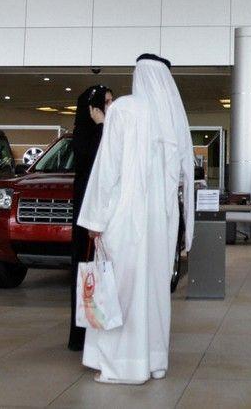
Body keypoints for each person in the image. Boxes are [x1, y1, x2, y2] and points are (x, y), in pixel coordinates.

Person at [77, 54, 194, 384]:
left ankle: (123, 366)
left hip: (126, 221)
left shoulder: (124, 110)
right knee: (154, 294)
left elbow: (107, 170)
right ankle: (154, 361)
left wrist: (95, 221)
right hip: (160, 225)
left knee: (122, 292)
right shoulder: (170, 119)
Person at [68, 84, 113, 352]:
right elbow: (94, 160)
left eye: (111, 101)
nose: (110, 107)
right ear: (92, 108)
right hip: (87, 219)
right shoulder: (86, 135)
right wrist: (100, 126)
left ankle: (102, 329)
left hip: (105, 217)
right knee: (87, 273)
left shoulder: (108, 130)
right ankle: (83, 334)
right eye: (105, 102)